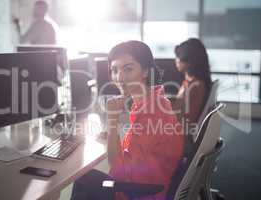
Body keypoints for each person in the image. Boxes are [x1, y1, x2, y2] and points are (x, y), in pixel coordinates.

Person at [70, 41, 184, 200]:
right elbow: (135, 152)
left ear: (145, 71)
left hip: (142, 194)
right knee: (85, 178)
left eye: (128, 69)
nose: (120, 77)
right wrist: (112, 136)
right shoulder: (154, 101)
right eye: (114, 70)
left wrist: (112, 120)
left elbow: (117, 170)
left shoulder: (152, 112)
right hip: (153, 184)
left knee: (83, 179)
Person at [172, 38, 212, 132]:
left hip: (178, 135)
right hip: (182, 131)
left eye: (178, 56)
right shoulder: (199, 83)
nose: (176, 60)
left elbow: (173, 114)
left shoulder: (192, 86)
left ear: (188, 60)